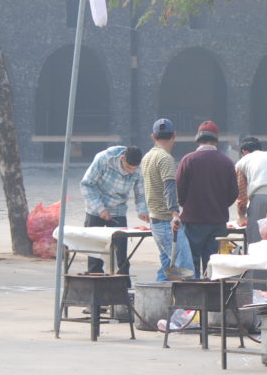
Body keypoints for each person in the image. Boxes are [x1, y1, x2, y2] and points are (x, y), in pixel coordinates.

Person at [176, 120, 238, 278]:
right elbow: (234, 192)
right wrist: (220, 205)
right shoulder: (226, 162)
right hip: (218, 222)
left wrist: (187, 205)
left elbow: (179, 190)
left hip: (193, 221)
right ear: (216, 139)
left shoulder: (187, 160)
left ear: (198, 139)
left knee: (192, 262)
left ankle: (195, 299)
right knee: (215, 263)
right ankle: (214, 298)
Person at [80, 145, 149, 274]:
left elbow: (140, 193)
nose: (130, 172)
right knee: (95, 250)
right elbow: (86, 185)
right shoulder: (103, 159)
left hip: (119, 209)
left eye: (133, 169)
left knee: (121, 250)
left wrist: (142, 210)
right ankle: (95, 279)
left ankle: (123, 282)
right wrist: (100, 208)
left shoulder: (138, 168)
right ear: (122, 158)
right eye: (128, 168)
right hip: (95, 208)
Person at [141, 118, 194, 281]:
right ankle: (186, 306)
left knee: (167, 268)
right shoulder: (165, 159)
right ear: (174, 135)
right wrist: (175, 214)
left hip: (155, 220)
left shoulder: (147, 157)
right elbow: (169, 187)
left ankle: (157, 302)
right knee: (185, 270)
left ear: (153, 137)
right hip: (166, 222)